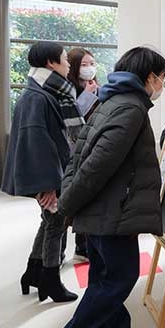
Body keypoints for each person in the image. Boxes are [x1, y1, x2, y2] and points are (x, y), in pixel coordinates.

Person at [48, 46, 165, 328]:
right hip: (113, 212)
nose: (162, 85)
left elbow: (79, 155)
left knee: (106, 274)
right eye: (162, 79)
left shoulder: (109, 100)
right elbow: (97, 165)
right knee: (120, 276)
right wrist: (68, 204)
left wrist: (71, 198)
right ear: (149, 77)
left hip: (103, 210)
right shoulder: (131, 109)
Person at [2, 41, 83, 303]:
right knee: (57, 221)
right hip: (50, 174)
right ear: (51, 62)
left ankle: (33, 272)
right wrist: (47, 185)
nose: (68, 63)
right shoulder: (38, 96)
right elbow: (37, 141)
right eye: (64, 58)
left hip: (54, 169)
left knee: (49, 221)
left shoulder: (46, 91)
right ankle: (50, 278)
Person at [64, 47, 101, 263]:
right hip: (73, 151)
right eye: (84, 64)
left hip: (91, 148)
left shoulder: (96, 86)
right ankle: (75, 248)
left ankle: (83, 246)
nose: (89, 69)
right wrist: (88, 95)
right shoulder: (68, 90)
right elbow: (73, 119)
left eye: (92, 64)